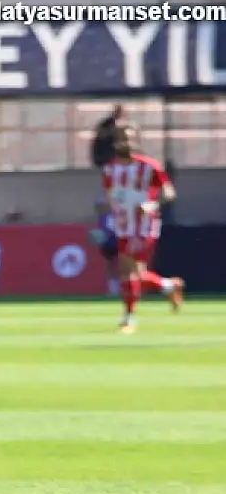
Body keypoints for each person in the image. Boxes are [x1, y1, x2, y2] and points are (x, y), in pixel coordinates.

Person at [101, 121, 184, 334]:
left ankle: (129, 319)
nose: (126, 141)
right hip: (122, 226)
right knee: (136, 275)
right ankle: (169, 285)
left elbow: (169, 193)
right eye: (121, 137)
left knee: (127, 272)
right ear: (115, 141)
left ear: (136, 140)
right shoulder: (110, 168)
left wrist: (152, 204)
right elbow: (110, 196)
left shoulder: (149, 166)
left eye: (129, 137)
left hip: (143, 226)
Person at [87, 195, 121, 297]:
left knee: (122, 264)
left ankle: (124, 287)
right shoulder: (103, 216)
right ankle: (113, 289)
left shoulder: (119, 214)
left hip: (118, 240)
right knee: (109, 265)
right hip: (107, 242)